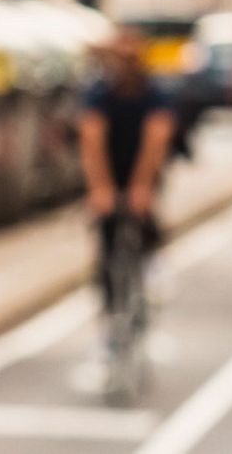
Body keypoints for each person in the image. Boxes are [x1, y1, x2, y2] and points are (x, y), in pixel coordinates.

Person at [80, 29, 175, 307]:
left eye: (132, 58)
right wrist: (100, 188)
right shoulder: (99, 93)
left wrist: (143, 186)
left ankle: (152, 261)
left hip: (144, 165)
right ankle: (109, 310)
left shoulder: (155, 93)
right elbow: (91, 141)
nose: (126, 65)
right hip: (111, 165)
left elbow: (155, 141)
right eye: (120, 58)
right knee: (106, 234)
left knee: (146, 218)